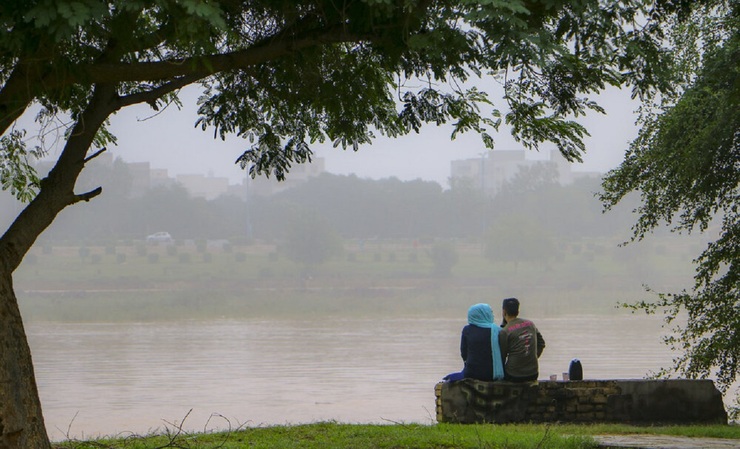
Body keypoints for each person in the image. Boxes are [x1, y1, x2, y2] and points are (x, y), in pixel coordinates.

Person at [444, 303, 505, 382]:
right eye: (491, 313)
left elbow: (464, 353)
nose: (493, 315)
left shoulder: (467, 330)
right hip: (493, 374)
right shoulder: (498, 331)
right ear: (485, 314)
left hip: (472, 373)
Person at [499, 297, 545, 382]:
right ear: (518, 311)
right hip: (533, 373)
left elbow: (502, 356)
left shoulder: (504, 331)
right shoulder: (530, 324)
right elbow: (541, 344)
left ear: (504, 311)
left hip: (513, 375)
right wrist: (532, 358)